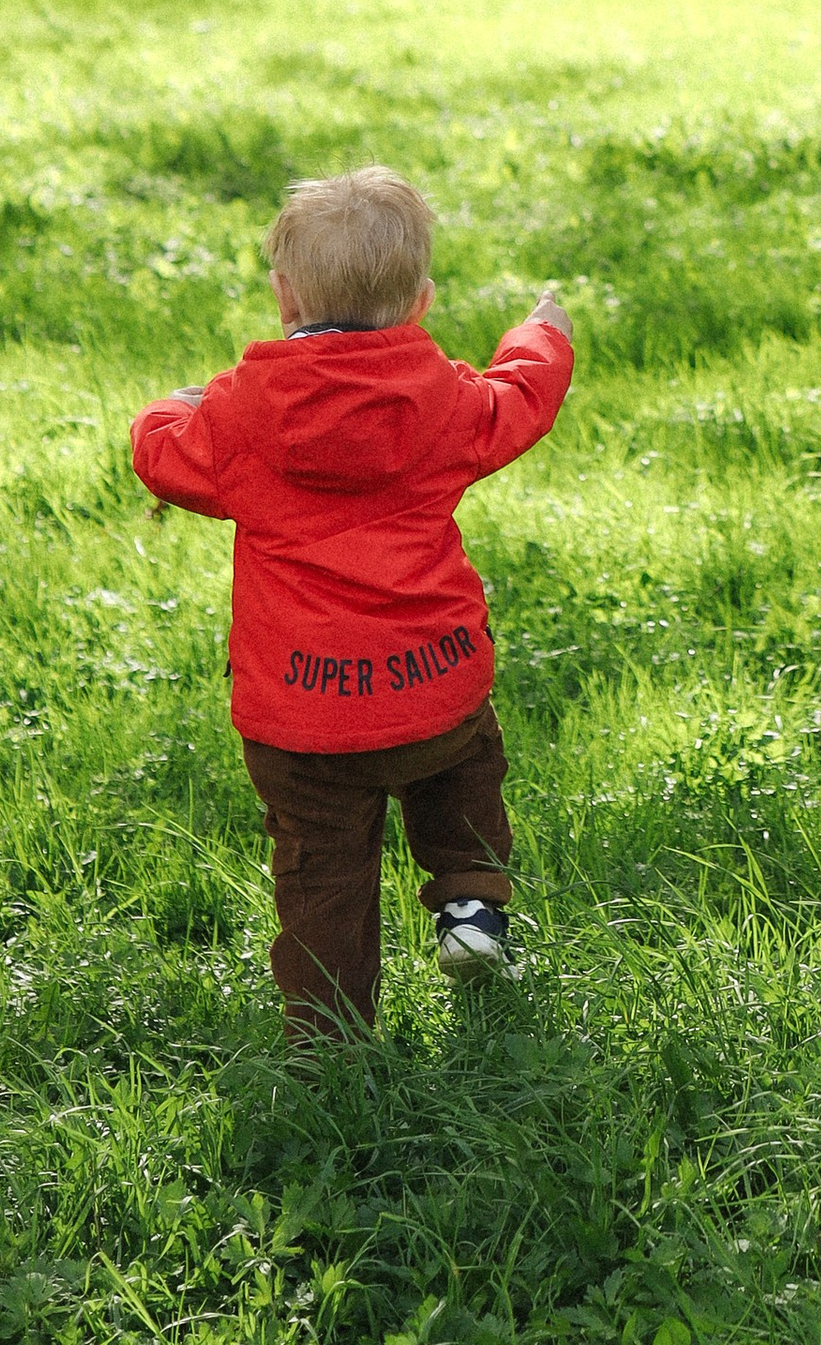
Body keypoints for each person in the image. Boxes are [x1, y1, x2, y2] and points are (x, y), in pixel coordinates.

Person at [131, 164, 575, 1041]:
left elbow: (163, 457)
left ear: (284, 297)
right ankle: (472, 906)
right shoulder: (444, 397)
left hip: (302, 718)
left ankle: (330, 1034)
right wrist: (541, 334)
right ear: (419, 302)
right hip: (434, 682)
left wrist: (164, 409)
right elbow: (520, 396)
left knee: (321, 867)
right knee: (462, 768)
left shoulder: (238, 414)